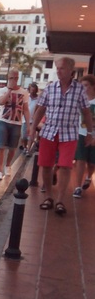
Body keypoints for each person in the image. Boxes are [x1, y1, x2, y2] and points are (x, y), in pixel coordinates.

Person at [30, 56, 94, 215]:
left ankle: (60, 200)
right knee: (45, 165)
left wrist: (90, 133)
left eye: (62, 68)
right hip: (49, 132)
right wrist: (32, 129)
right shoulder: (51, 88)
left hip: (69, 134)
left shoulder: (79, 89)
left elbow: (86, 112)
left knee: (65, 165)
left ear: (71, 71)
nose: (58, 71)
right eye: (57, 68)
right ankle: (49, 197)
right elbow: (41, 109)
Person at [0, 69, 30, 180]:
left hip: (17, 122)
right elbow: (1, 102)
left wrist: (28, 124)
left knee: (12, 147)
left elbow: (25, 109)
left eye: (15, 78)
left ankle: (8, 165)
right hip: (3, 121)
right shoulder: (2, 90)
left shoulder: (23, 92)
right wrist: (9, 90)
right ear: (8, 78)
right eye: (11, 78)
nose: (13, 80)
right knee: (0, 146)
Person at [72, 74, 95, 198]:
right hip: (81, 133)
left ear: (92, 87)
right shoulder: (80, 101)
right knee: (80, 160)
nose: (83, 88)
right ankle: (77, 187)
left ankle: (89, 176)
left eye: (86, 85)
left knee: (91, 163)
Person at [22, 82, 39, 155]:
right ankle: (25, 147)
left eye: (34, 90)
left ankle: (28, 150)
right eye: (31, 90)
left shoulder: (38, 99)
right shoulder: (26, 97)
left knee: (31, 136)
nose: (32, 91)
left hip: (33, 120)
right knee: (24, 137)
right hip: (25, 120)